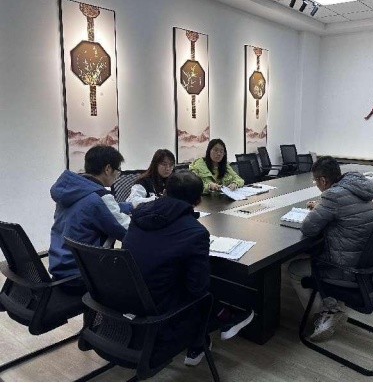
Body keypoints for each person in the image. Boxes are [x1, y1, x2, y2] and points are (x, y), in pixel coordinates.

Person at [122, 171, 254, 367]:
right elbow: (199, 289)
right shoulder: (195, 232)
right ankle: (221, 321)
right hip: (163, 315)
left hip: (127, 303)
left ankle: (205, 337)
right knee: (204, 286)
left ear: (164, 192)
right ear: (198, 201)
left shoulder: (137, 216)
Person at [288, 156, 373, 343]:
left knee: (294, 269)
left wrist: (319, 209)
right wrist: (323, 208)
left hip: (346, 267)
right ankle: (332, 303)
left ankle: (327, 313)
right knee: (314, 252)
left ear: (322, 180)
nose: (316, 184)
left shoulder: (333, 195)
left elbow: (308, 228)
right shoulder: (359, 188)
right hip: (366, 260)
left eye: (315, 180)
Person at [49, 146, 133, 290]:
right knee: (138, 274)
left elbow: (101, 209)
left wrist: (131, 206)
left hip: (61, 269)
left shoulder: (73, 191)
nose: (117, 175)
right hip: (83, 276)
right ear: (108, 169)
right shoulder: (99, 198)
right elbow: (127, 231)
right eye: (118, 170)